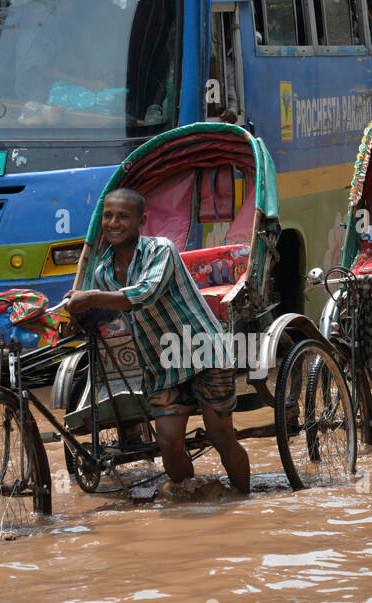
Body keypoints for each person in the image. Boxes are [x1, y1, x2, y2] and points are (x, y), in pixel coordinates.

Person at [67, 188, 251, 493]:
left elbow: (144, 294)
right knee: (168, 444)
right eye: (108, 216)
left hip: (204, 351)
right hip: (161, 363)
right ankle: (192, 500)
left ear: (142, 220)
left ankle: (244, 501)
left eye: (123, 217)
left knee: (220, 435)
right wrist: (77, 318)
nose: (114, 223)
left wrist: (93, 297)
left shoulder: (161, 250)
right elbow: (105, 315)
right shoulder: (102, 272)